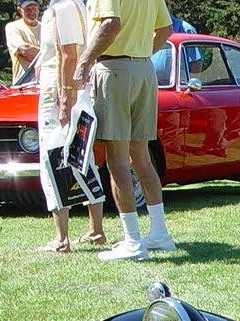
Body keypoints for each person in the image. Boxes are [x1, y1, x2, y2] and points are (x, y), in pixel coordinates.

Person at [74, 0, 174, 262]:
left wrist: (84, 62)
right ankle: (159, 233)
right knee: (141, 158)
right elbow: (165, 29)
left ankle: (132, 242)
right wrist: (140, 54)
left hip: (114, 70)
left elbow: (111, 23)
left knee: (117, 161)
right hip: (144, 69)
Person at [35, 0, 107, 253]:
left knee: (52, 158)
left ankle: (61, 238)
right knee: (82, 157)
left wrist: (66, 98)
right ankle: (95, 230)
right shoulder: (74, 6)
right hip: (71, 90)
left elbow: (69, 55)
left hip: (59, 93)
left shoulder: (64, 8)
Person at [6, 0, 42, 82]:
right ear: (19, 10)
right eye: (28, 9)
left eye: (34, 8)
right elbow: (24, 50)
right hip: (24, 83)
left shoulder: (46, 28)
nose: (31, 12)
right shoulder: (13, 27)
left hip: (45, 82)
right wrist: (49, 55)